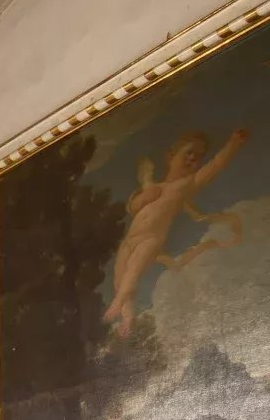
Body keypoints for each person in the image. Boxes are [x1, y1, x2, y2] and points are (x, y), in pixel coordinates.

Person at [102, 128, 248, 337]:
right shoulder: (154, 187)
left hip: (151, 239)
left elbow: (216, 165)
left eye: (197, 157)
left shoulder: (186, 185)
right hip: (129, 240)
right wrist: (145, 194)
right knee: (119, 279)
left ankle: (116, 304)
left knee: (132, 271)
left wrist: (233, 143)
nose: (192, 159)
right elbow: (134, 208)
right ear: (171, 156)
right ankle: (127, 317)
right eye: (188, 152)